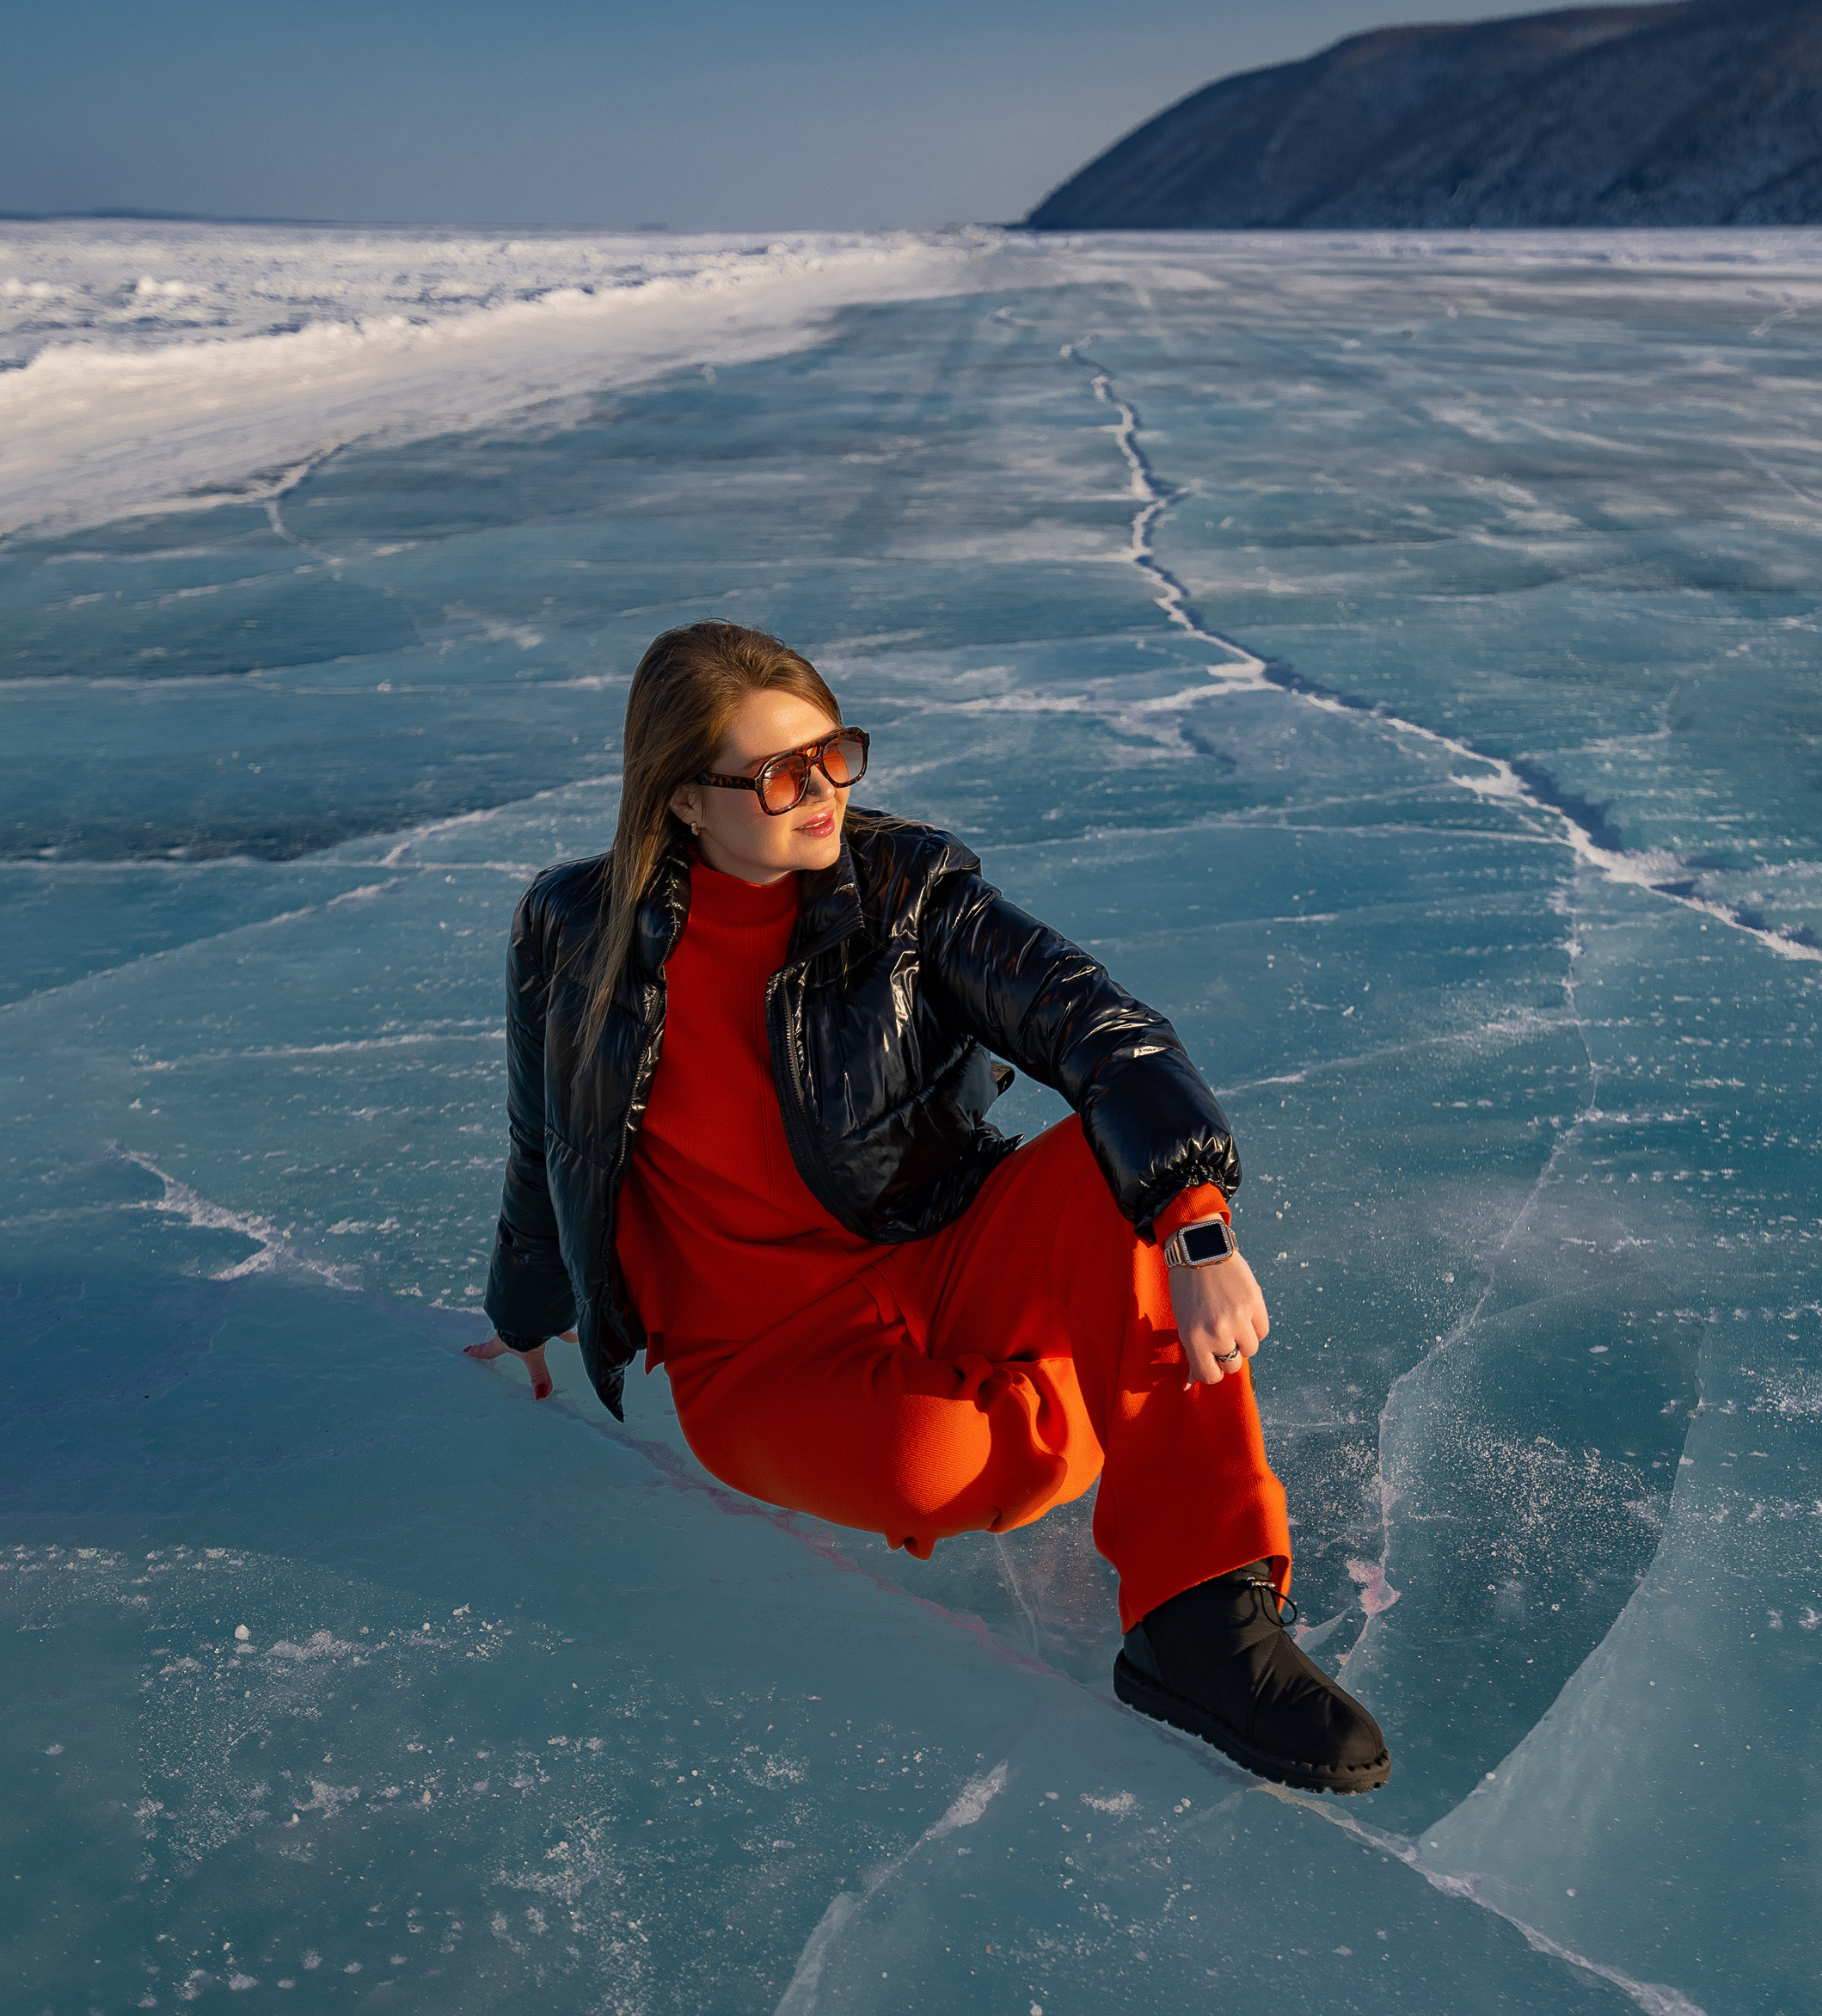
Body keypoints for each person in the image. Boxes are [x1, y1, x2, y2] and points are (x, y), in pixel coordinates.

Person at [469, 622, 1388, 1794]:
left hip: (941, 1246)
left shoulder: (909, 891)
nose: (822, 794)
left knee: (1119, 1176)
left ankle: (1200, 1613)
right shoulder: (571, 927)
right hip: (755, 1355)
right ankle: (1104, 1387)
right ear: (682, 801)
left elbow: (1100, 1029)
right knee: (953, 1470)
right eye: (778, 775)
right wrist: (524, 1311)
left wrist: (1195, 1229)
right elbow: (545, 1136)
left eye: (832, 755)